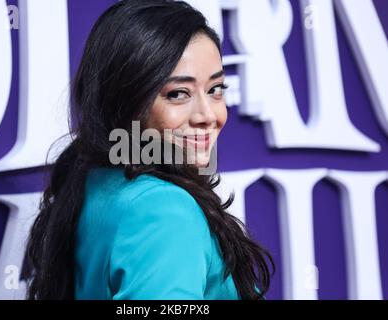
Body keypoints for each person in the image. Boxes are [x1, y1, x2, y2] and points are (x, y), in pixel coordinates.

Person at [24, 0, 274, 300]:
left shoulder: (96, 178)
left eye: (215, 89)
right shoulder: (164, 210)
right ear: (128, 101)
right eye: (178, 94)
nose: (208, 115)